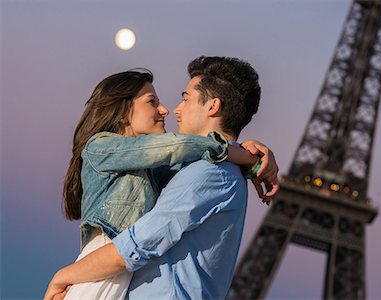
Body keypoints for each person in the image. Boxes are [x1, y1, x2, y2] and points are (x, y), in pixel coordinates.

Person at [45, 56, 279, 299]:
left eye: (186, 99)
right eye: (152, 101)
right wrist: (244, 155)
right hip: (106, 270)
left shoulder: (207, 174)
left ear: (212, 106)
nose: (172, 109)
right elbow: (175, 149)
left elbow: (137, 245)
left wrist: (63, 276)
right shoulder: (111, 151)